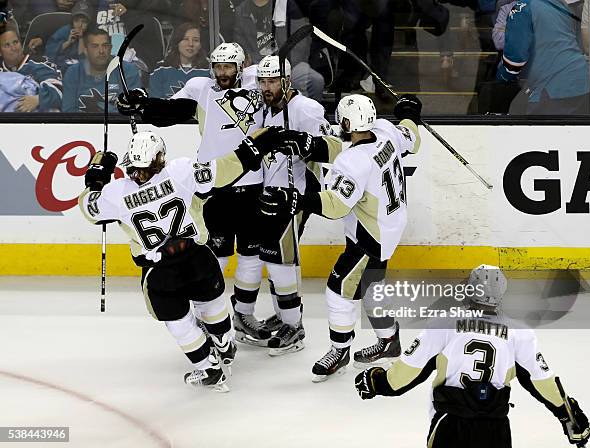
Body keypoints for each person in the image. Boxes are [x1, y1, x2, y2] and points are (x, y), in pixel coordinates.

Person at [78, 127, 282, 389]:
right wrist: (254, 147)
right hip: (197, 256)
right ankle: (223, 341)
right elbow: (226, 169)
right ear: (160, 156)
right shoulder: (181, 171)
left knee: (179, 323)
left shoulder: (115, 193)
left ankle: (207, 367)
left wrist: (97, 176)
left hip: (160, 270)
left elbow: (89, 207)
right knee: (210, 304)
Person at [117, 42, 272, 347]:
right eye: (217, 66)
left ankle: (244, 316)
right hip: (213, 185)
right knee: (216, 254)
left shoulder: (258, 79)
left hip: (255, 182)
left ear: (241, 67)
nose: (222, 73)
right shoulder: (201, 88)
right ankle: (208, 315)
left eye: (228, 67)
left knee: (251, 256)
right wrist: (143, 104)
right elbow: (170, 112)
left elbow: (279, 86)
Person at [259, 93, 422, 381]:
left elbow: (335, 206)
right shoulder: (386, 130)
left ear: (347, 121)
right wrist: (409, 111)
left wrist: (295, 200)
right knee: (371, 288)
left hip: (369, 235)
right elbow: (412, 137)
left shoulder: (352, 162)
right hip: (390, 223)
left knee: (337, 290)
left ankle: (340, 350)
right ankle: (389, 341)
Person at [354, 265, 590, 448]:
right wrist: (569, 414)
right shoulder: (519, 333)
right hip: (495, 429)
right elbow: (543, 384)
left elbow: (402, 379)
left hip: (451, 425)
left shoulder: (443, 324)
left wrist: (375, 381)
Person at [256, 55, 331, 355]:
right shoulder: (263, 109)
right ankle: (285, 313)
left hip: (295, 194)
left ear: (286, 81)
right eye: (263, 81)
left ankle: (295, 327)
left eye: (272, 81)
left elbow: (328, 147)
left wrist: (302, 143)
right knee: (273, 261)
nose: (266, 86)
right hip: (269, 193)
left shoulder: (307, 109)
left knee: (280, 262)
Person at [496, 0, 589, 115]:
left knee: (534, 128)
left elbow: (515, 59)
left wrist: (501, 77)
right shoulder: (560, 5)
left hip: (552, 86)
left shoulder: (522, 8)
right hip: (580, 81)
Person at [61, 27, 140, 112]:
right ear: (85, 50)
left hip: (118, 124)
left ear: (110, 48)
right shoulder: (73, 73)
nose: (101, 51)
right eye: (95, 46)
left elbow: (132, 109)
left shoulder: (127, 70)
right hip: (82, 125)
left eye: (105, 45)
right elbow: (68, 111)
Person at [0, 25, 63, 111]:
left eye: (15, 42)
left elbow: (60, 89)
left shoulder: (39, 63)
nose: (13, 48)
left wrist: (38, 99)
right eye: (7, 45)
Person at [148, 22, 209, 99]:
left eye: (195, 40)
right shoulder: (161, 69)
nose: (190, 44)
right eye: (185, 39)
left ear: (201, 44)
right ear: (177, 42)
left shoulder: (209, 69)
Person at [44, 0, 91, 73]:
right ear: (72, 21)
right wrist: (68, 42)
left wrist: (81, 38)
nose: (79, 25)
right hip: (58, 69)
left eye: (84, 22)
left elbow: (84, 59)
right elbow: (49, 52)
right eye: (76, 21)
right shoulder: (65, 30)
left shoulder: (91, 35)